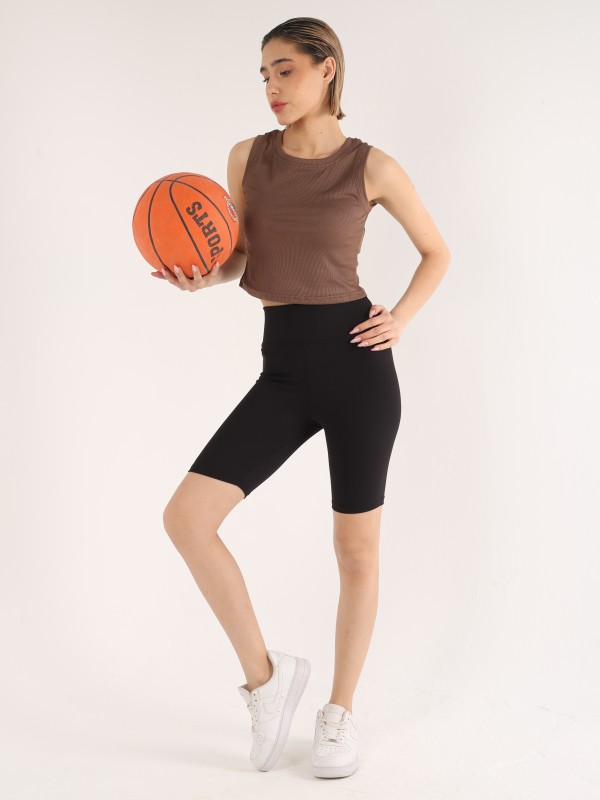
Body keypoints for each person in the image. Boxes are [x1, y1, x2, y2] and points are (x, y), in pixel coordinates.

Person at [154, 16, 451, 778]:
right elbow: (242, 257)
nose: (272, 87)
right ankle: (267, 681)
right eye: (264, 74)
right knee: (187, 519)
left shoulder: (371, 166)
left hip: (357, 369)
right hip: (282, 373)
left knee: (356, 550)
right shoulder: (248, 158)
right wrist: (203, 276)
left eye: (285, 70)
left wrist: (400, 318)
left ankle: (339, 713)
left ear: (327, 69)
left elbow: (436, 251)